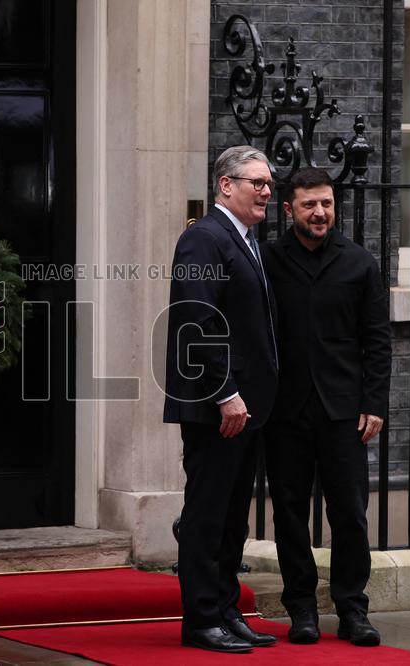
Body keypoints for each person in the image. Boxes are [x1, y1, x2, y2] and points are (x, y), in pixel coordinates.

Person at [260, 167, 391, 646]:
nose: (320, 213)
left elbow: (377, 340)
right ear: (289, 208)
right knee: (290, 512)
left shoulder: (359, 262)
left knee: (350, 513)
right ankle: (301, 610)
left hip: (344, 411)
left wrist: (374, 402)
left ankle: (353, 610)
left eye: (327, 204)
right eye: (310, 205)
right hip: (285, 410)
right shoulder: (268, 260)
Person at [163, 145, 280, 653]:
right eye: (257, 182)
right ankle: (201, 619)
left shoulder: (246, 239)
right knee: (207, 516)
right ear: (225, 185)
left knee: (234, 517)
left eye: (270, 184)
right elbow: (197, 320)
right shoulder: (205, 239)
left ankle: (228, 610)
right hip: (219, 408)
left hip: (247, 407)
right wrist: (226, 393)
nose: (267, 192)